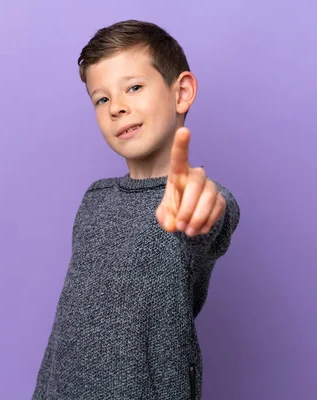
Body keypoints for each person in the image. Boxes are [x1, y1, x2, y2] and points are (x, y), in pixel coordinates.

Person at [32, 19, 240, 400]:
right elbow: (64, 334)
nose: (117, 108)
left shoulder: (195, 201)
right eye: (102, 98)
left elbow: (210, 223)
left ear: (182, 93)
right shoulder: (95, 200)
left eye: (134, 87)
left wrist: (202, 207)